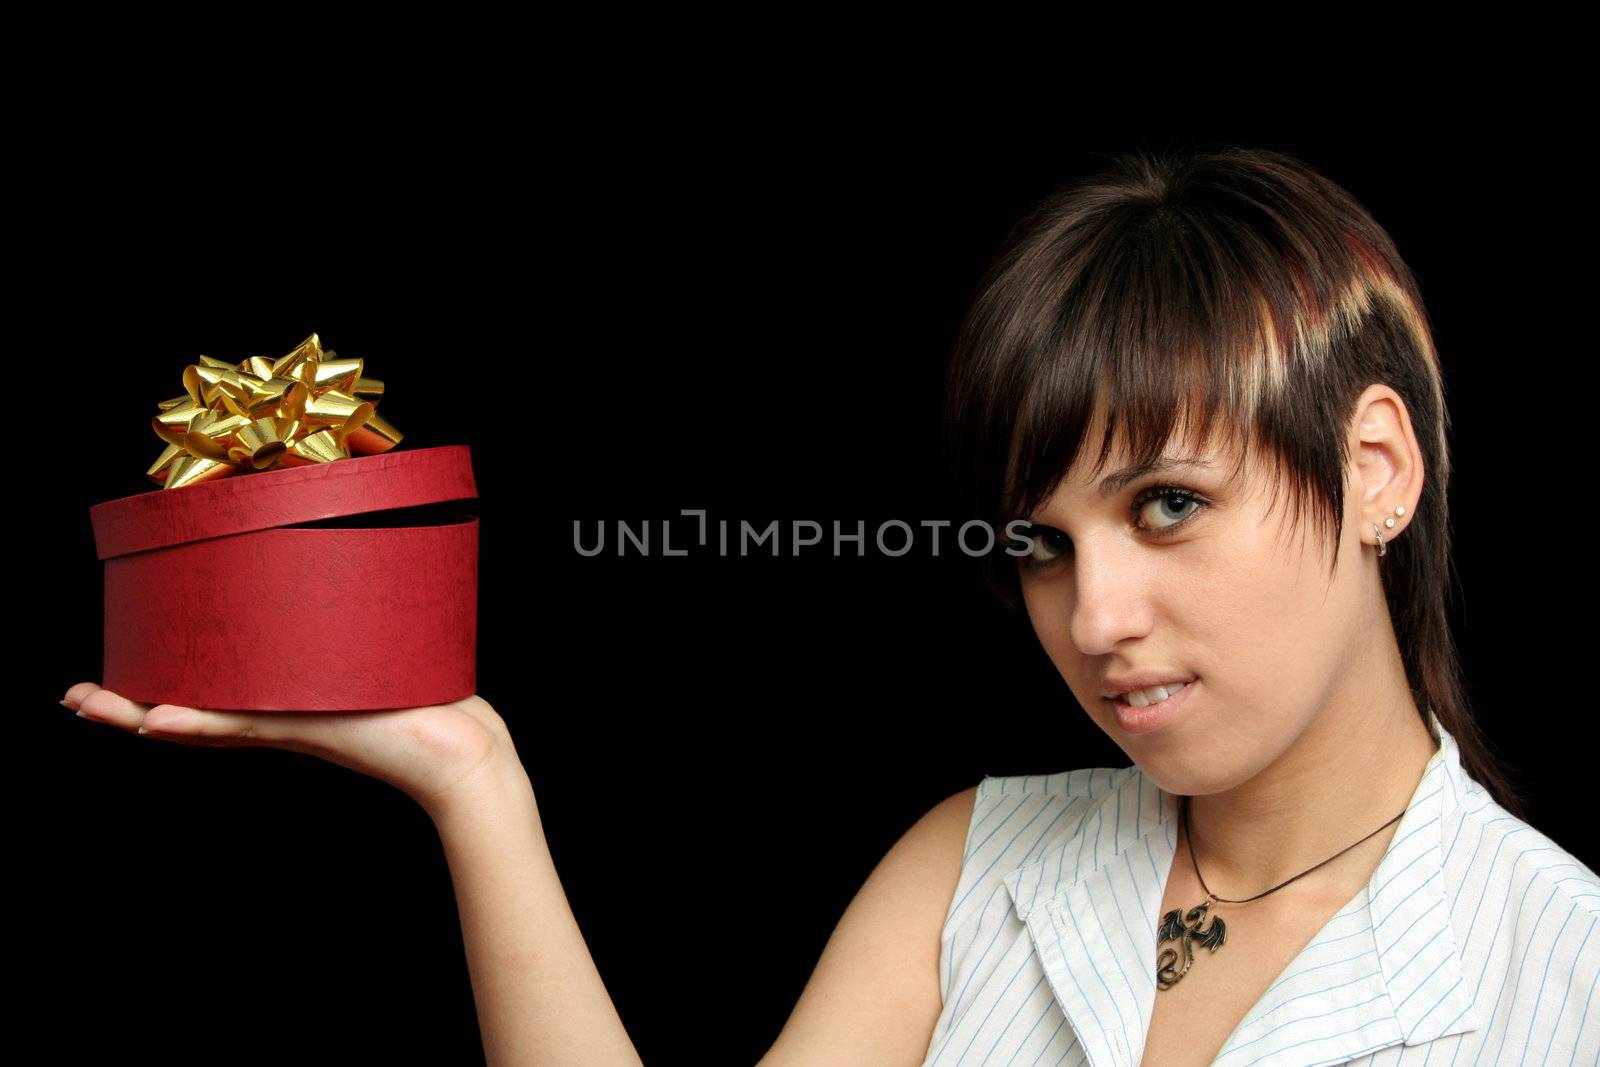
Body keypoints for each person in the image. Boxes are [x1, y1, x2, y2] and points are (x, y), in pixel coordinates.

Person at [65, 145, 1599, 1067]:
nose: (1095, 616)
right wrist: (475, 781)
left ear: (1377, 468)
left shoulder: (1560, 968)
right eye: (1040, 542)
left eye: (1168, 505)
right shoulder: (976, 860)